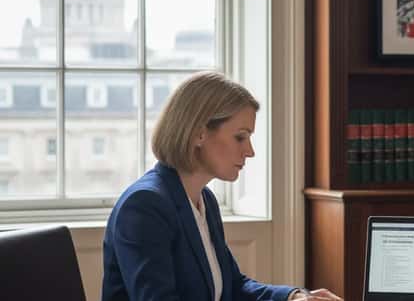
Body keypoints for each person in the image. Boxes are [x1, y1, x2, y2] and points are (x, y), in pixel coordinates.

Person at [102, 71, 343, 301]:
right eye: (240, 137)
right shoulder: (144, 205)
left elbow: (234, 286)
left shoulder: (204, 199)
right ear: (199, 134)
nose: (250, 151)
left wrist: (293, 296)